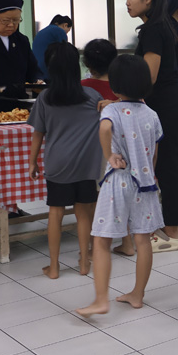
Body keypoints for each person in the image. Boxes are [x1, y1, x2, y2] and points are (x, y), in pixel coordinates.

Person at [76, 55, 164, 318]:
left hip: (118, 181)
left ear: (114, 86)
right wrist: (149, 173)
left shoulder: (111, 111)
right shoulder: (152, 114)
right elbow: (154, 153)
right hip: (145, 183)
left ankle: (101, 300)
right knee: (143, 240)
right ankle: (138, 294)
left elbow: (105, 130)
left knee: (102, 240)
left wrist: (109, 156)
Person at [126, 0, 178, 253]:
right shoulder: (160, 24)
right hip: (171, 101)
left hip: (165, 103)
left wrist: (121, 96)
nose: (127, 3)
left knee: (165, 165)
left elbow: (149, 76)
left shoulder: (153, 29)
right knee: (170, 163)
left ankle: (171, 232)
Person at [28, 42, 102, 279]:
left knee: (55, 213)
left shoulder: (45, 98)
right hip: (87, 164)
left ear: (50, 68)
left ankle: (54, 267)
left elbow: (38, 133)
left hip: (58, 163)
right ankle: (84, 263)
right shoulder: (92, 97)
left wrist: (32, 162)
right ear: (76, 67)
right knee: (84, 213)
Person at [32, 15, 72, 80]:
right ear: (65, 25)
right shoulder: (59, 31)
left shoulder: (40, 33)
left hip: (36, 72)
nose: (66, 33)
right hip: (49, 72)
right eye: (68, 31)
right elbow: (64, 53)